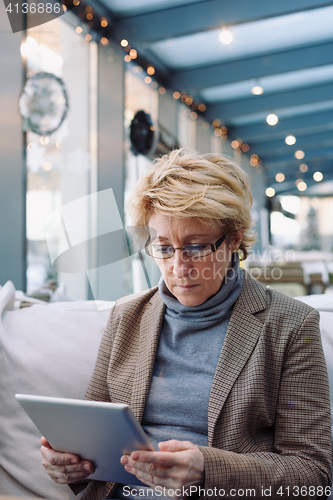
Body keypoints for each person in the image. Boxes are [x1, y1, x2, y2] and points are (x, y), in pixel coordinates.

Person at [41, 148, 332, 500]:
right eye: (163, 248)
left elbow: (313, 473)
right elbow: (93, 441)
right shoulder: (127, 317)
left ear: (234, 238)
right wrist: (72, 465)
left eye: (195, 248)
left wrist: (208, 471)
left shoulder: (290, 324)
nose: (179, 269)